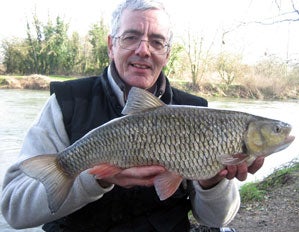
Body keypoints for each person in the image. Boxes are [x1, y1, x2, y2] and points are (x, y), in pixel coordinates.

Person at [1, 0, 264, 231]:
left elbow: (218, 220)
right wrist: (94, 178)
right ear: (111, 45)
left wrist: (211, 181)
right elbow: (14, 210)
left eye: (157, 42)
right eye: (131, 37)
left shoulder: (198, 112)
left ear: (167, 53)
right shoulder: (67, 102)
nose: (143, 50)